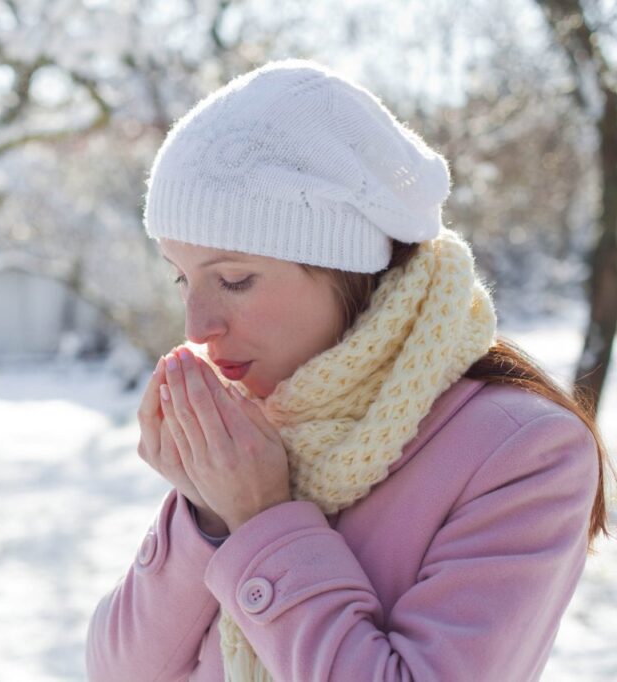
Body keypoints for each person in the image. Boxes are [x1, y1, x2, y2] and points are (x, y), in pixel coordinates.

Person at [85, 59, 612, 682]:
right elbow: (119, 672)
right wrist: (204, 513)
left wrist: (260, 520)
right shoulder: (262, 418)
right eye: (182, 278)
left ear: (346, 268)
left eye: (234, 279)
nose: (197, 327)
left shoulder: (522, 452)